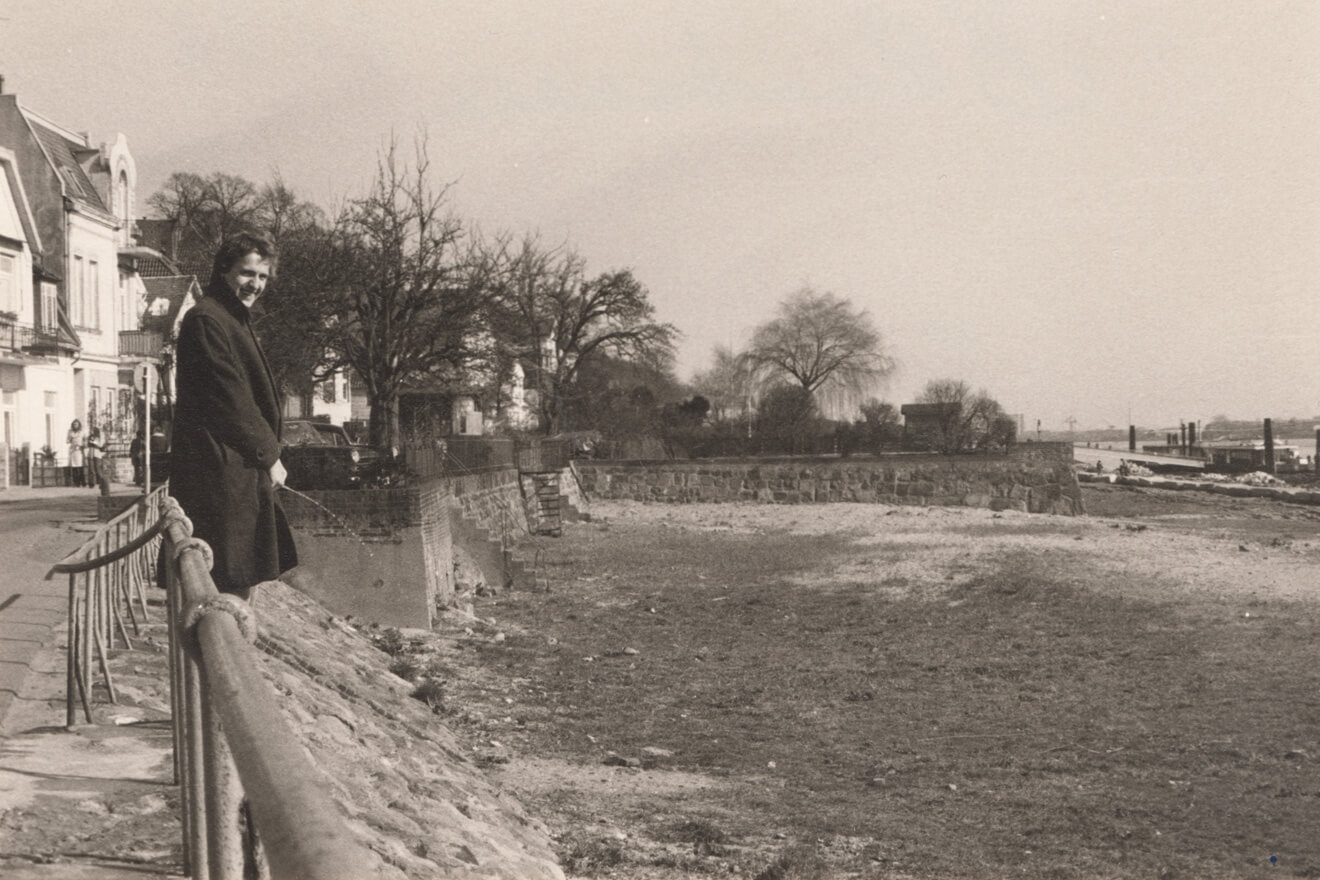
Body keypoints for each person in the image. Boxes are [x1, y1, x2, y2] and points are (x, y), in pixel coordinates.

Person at [168, 232, 296, 600]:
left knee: (238, 577)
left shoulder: (230, 318)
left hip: (234, 471)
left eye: (263, 276)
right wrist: (269, 456)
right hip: (220, 474)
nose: (255, 284)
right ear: (224, 270)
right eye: (247, 273)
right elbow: (229, 398)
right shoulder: (208, 319)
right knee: (227, 581)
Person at [66, 419, 86, 487]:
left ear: (79, 425)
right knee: (74, 467)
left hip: (79, 450)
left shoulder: (82, 432)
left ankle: (83, 482)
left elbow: (85, 440)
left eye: (76, 424)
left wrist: (83, 445)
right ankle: (76, 482)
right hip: (73, 450)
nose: (75, 426)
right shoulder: (70, 432)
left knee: (80, 467)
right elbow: (67, 440)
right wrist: (70, 440)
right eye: (74, 424)